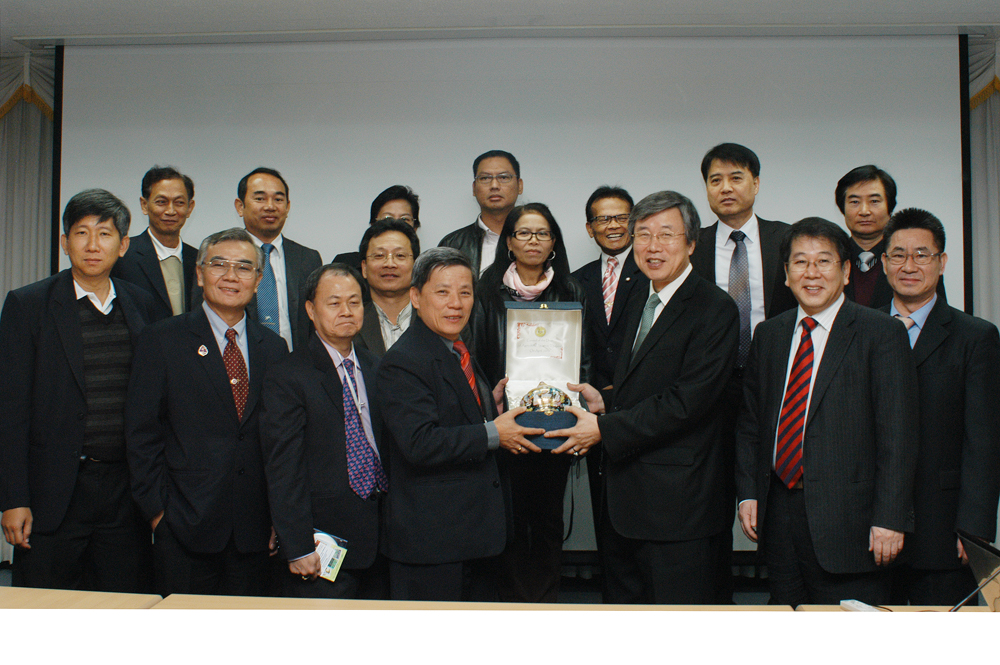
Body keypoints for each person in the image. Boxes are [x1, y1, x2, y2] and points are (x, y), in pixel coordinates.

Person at [548, 191, 740, 604]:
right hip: (623, 504)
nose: (653, 247)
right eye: (643, 235)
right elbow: (644, 382)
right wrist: (606, 402)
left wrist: (602, 428)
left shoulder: (715, 309)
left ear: (691, 243)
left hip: (677, 510)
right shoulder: (640, 297)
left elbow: (686, 402)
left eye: (666, 235)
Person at [736, 217, 918, 607]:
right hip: (780, 518)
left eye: (823, 261)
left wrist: (890, 518)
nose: (811, 273)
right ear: (785, 274)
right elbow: (752, 423)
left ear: (846, 270)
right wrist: (748, 493)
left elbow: (898, 436)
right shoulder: (770, 335)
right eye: (800, 262)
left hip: (853, 524)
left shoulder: (880, 333)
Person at [0, 189, 156, 592]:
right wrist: (13, 498)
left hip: (126, 492)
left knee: (123, 608)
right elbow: (10, 409)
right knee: (45, 613)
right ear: (64, 242)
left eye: (104, 234)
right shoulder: (27, 305)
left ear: (122, 245)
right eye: (81, 233)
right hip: (53, 493)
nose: (91, 245)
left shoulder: (144, 306)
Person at [126, 228, 289, 597]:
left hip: (255, 531)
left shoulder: (274, 348)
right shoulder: (162, 339)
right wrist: (158, 514)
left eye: (244, 267)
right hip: (184, 526)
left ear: (258, 280)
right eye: (219, 265)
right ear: (199, 274)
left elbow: (278, 439)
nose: (231, 276)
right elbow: (141, 433)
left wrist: (280, 518)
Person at [377, 247, 543, 601]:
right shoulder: (403, 361)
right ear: (416, 297)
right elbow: (420, 442)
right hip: (434, 544)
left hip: (474, 538)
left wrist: (489, 408)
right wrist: (494, 432)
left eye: (465, 292)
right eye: (443, 292)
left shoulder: (457, 349)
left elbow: (456, 415)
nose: (456, 302)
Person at [468, 202, 591, 603]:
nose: (533, 241)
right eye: (523, 233)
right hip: (506, 422)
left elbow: (583, 356)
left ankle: (545, 603)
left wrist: (579, 402)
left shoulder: (571, 291)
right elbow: (476, 357)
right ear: (509, 241)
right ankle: (510, 606)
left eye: (542, 233)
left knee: (548, 520)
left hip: (558, 422)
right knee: (510, 520)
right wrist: (493, 406)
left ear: (554, 241)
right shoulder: (486, 290)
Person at [690, 143, 797, 601]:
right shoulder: (693, 247)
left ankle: (785, 590)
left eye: (736, 177)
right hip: (710, 389)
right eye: (715, 180)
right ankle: (714, 599)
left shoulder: (787, 240)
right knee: (709, 497)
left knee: (778, 491)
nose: (726, 188)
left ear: (755, 182)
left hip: (778, 385)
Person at [880, 208, 1000, 606]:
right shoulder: (861, 331)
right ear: (883, 263)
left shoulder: (975, 337)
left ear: (942, 262)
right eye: (897, 255)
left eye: (922, 254)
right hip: (872, 530)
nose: (909, 265)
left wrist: (975, 528)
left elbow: (983, 439)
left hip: (945, 529)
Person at [261, 263, 389, 599]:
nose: (346, 311)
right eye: (334, 303)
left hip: (383, 540)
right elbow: (282, 468)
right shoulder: (288, 375)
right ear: (310, 310)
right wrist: (297, 545)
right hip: (321, 544)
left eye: (354, 302)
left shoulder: (377, 367)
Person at [571, 186, 647, 554]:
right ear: (590, 228)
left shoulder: (653, 272)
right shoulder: (576, 280)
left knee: (643, 513)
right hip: (595, 413)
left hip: (643, 409)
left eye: (621, 217)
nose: (613, 225)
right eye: (603, 218)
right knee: (606, 511)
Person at [233, 166, 323, 352]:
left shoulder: (308, 258)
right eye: (260, 198)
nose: (270, 206)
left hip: (295, 366)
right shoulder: (223, 257)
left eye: (278, 199)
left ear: (288, 207)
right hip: (239, 363)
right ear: (240, 206)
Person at [836, 164, 943, 308]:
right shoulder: (833, 259)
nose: (864, 211)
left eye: (874, 201)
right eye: (854, 202)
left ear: (890, 206)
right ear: (842, 208)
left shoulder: (917, 260)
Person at [112, 166, 199, 321]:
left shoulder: (200, 259)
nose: (170, 211)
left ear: (189, 208)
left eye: (179, 202)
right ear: (144, 205)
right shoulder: (122, 256)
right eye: (161, 202)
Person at [439, 150, 523, 275]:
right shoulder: (452, 244)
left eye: (504, 177)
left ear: (519, 185)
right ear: (474, 188)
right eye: (485, 178)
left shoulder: (541, 239)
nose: (494, 185)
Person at [354, 219, 420, 356]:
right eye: (379, 255)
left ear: (415, 265)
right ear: (364, 268)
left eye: (400, 255)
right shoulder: (350, 321)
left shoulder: (436, 318)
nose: (389, 264)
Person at [332, 184, 421, 272]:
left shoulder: (426, 269)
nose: (396, 224)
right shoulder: (344, 264)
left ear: (415, 228)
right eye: (387, 218)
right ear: (373, 225)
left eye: (404, 219)